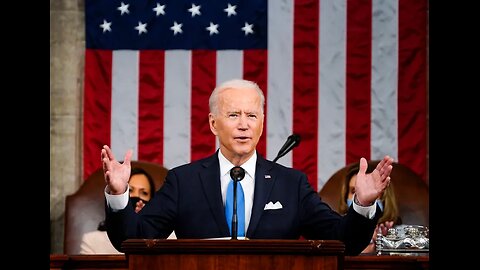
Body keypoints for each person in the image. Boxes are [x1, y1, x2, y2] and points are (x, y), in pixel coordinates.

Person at [101, 78, 394, 255]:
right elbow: (133, 240)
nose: (243, 125)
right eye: (233, 115)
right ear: (213, 123)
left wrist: (363, 205)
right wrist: (118, 194)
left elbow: (344, 241)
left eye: (252, 116)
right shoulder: (184, 181)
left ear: (262, 123)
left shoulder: (291, 184)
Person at [79, 167, 176, 254]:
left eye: (144, 193)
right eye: (130, 191)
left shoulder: (168, 239)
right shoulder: (92, 241)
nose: (137, 198)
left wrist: (146, 229)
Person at [338, 162, 401, 253]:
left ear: (384, 196)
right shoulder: (337, 230)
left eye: (367, 190)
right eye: (353, 191)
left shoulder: (401, 233)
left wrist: (386, 246)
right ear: (345, 197)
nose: (359, 196)